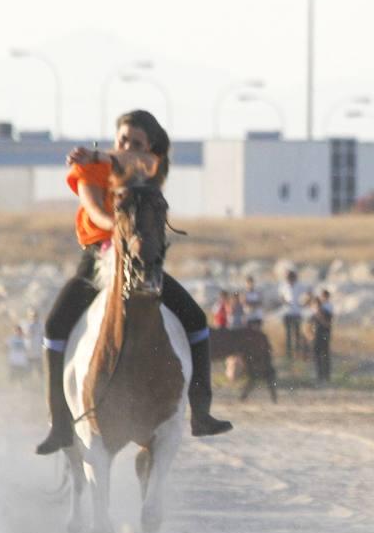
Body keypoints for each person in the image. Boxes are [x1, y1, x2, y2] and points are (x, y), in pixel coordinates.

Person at [34, 109, 231, 455]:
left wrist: (103, 154)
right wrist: (120, 227)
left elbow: (141, 162)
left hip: (142, 260)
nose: (126, 146)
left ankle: (201, 411)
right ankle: (60, 423)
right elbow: (94, 209)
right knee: (54, 326)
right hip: (99, 258)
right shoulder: (90, 168)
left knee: (196, 320)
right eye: (122, 138)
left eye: (135, 142)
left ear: (149, 147)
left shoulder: (150, 169)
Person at [279, 269, 308, 359]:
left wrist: (304, 303)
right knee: (288, 335)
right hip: (287, 313)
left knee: (297, 334)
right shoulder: (284, 286)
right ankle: (289, 355)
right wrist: (284, 301)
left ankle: (297, 353)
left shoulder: (299, 286)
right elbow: (281, 297)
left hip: (296, 313)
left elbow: (308, 294)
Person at [311, 288, 333, 384]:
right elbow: (308, 326)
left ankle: (326, 376)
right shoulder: (314, 315)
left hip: (325, 335)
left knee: (325, 356)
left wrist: (320, 316)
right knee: (316, 357)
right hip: (316, 337)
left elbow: (327, 324)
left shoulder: (326, 312)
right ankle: (319, 376)